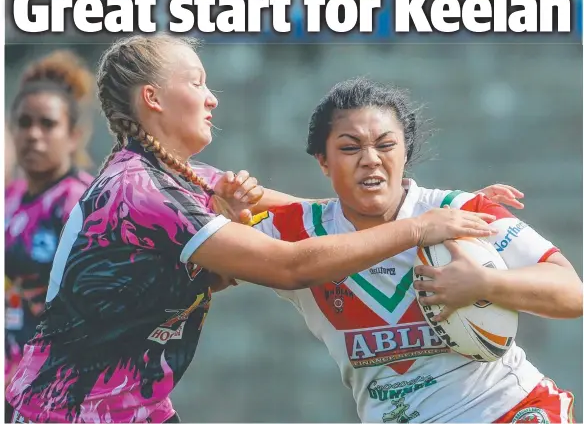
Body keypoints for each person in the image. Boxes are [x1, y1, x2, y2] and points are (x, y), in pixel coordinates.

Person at [4, 34, 497, 424]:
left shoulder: (187, 177)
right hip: (70, 414)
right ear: (152, 98)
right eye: (196, 83)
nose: (212, 98)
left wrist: (443, 204)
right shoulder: (140, 190)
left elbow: (321, 213)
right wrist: (419, 229)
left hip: (137, 410)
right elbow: (288, 266)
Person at [245, 78, 582, 423]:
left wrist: (484, 284)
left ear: (405, 152)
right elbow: (202, 215)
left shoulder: (460, 211)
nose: (370, 159)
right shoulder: (291, 232)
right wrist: (233, 197)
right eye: (350, 148)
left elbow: (572, 292)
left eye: (386, 145)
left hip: (507, 410)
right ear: (323, 161)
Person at [5, 50, 95, 387]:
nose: (33, 134)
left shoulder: (82, 202)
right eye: (24, 123)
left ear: (74, 135)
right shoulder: (9, 199)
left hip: (60, 383)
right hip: (12, 381)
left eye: (48, 124)